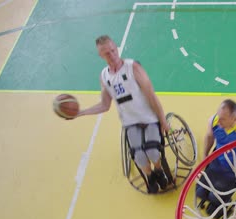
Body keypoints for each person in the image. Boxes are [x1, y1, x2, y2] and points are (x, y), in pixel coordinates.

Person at [74, 35, 173, 193]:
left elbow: (151, 95)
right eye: (107, 53)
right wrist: (80, 112)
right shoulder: (104, 76)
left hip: (149, 118)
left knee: (153, 152)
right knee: (139, 157)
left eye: (113, 50)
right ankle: (150, 176)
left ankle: (159, 170)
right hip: (130, 122)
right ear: (101, 55)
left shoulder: (133, 67)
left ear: (116, 48)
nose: (112, 55)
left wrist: (163, 120)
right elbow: (105, 105)